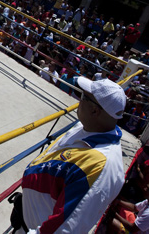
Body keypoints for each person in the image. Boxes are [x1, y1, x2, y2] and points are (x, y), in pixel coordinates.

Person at [18, 77, 126, 233]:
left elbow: (66, 228)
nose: (78, 99)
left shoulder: (102, 167)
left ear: (95, 110)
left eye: (83, 96)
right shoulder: (85, 127)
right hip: (26, 219)